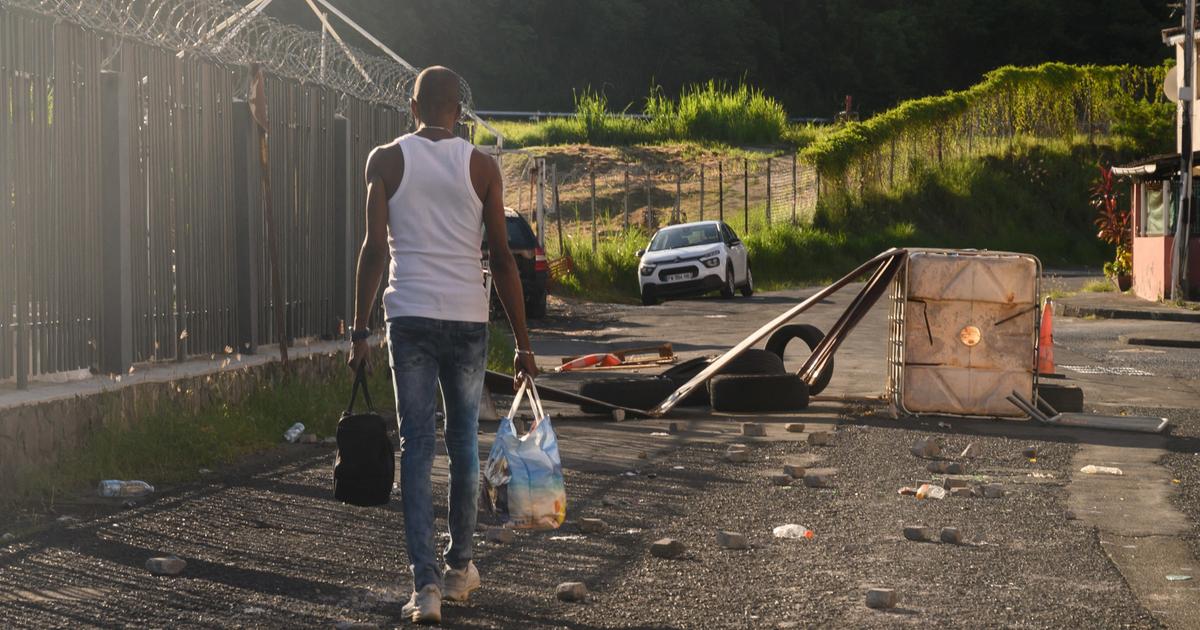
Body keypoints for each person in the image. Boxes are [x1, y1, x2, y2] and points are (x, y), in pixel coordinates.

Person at [347, 66, 537, 625]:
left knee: (417, 446)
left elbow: (373, 249)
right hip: (467, 319)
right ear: (459, 111)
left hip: (408, 316)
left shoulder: (384, 160)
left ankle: (425, 586)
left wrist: (360, 329)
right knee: (464, 446)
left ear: (412, 108)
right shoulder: (482, 166)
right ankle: (460, 567)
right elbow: (501, 258)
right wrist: (524, 345)